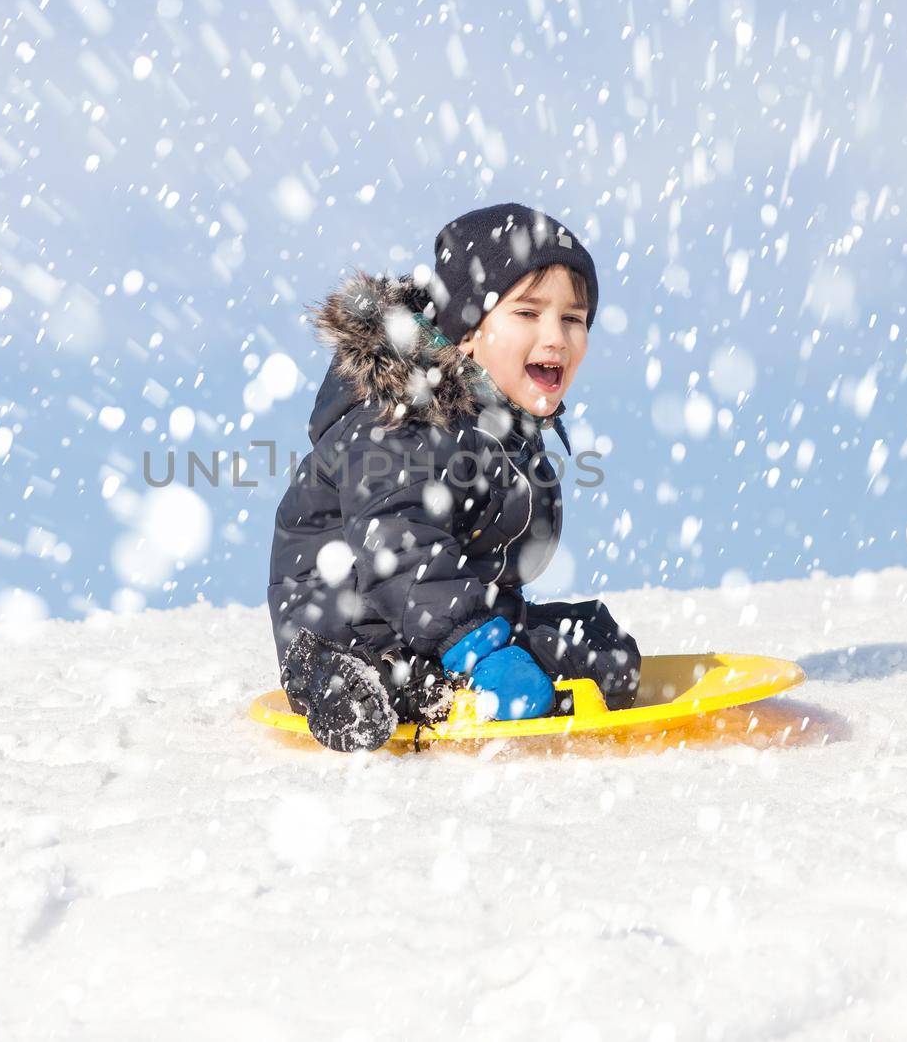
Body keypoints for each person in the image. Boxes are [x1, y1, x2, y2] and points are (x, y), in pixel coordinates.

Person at [266, 202, 642, 752]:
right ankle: (344, 684)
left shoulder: (503, 432)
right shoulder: (399, 418)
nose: (556, 336)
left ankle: (448, 681)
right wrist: (479, 649)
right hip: (354, 624)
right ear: (467, 334)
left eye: (572, 318)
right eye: (528, 313)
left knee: (599, 647)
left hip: (439, 625)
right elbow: (400, 543)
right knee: (388, 677)